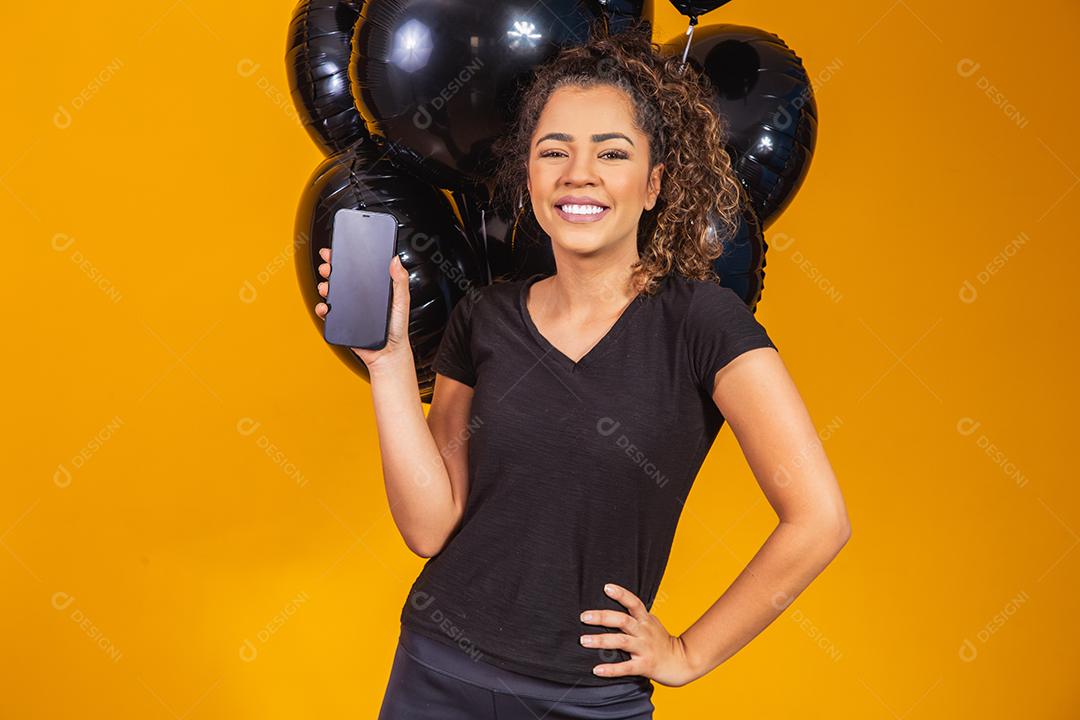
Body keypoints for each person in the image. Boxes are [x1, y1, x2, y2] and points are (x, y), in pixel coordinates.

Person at [314, 18, 850, 720]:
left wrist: (688, 654)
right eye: (554, 151)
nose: (579, 174)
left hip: (590, 701)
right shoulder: (484, 317)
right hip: (436, 675)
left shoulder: (704, 324)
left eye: (612, 153)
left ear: (654, 184)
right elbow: (429, 529)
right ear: (529, 175)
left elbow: (819, 520)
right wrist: (389, 364)